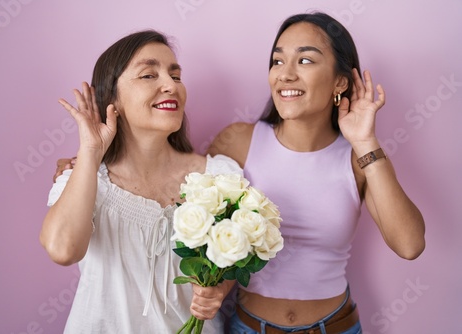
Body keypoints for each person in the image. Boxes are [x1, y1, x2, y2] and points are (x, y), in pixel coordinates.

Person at [206, 12, 426, 334]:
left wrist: (365, 141)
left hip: (336, 327)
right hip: (249, 327)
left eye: (305, 61)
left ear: (340, 81)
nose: (285, 74)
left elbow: (410, 245)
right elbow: (197, 225)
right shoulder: (238, 141)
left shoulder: (358, 158)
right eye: (278, 61)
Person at [40, 30, 240, 333]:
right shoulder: (85, 179)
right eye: (149, 75)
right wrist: (91, 152)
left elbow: (232, 261)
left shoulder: (220, 177)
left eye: (175, 75)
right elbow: (62, 249)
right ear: (112, 99)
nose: (169, 85)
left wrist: (218, 292)